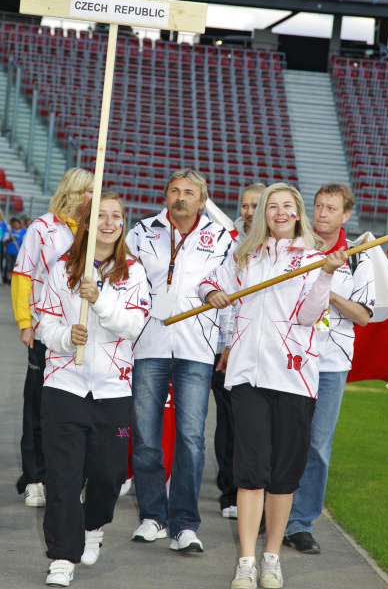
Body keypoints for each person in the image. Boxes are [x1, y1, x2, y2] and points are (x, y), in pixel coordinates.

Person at [198, 182, 348, 589]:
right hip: (248, 377)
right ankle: (246, 561)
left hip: (294, 379)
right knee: (250, 473)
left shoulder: (314, 258)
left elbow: (309, 316)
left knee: (283, 477)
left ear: (297, 213)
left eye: (288, 206)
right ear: (263, 212)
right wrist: (212, 293)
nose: (280, 212)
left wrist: (326, 274)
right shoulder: (245, 255)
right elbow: (208, 281)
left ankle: (271, 559)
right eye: (273, 206)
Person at [37, 191, 149, 587]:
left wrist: (99, 300)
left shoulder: (133, 272)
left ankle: (93, 525)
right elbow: (45, 327)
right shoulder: (62, 268)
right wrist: (68, 337)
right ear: (86, 223)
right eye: (100, 215)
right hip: (64, 386)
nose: (109, 222)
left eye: (116, 216)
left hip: (112, 390)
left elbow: (133, 326)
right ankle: (62, 556)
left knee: (109, 475)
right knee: (63, 477)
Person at [126, 168, 234, 553]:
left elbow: (229, 289)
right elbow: (123, 281)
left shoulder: (221, 237)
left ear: (202, 200)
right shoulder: (141, 232)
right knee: (146, 435)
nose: (181, 197)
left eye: (189, 192)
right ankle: (152, 515)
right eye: (174, 190)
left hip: (196, 348)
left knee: (191, 438)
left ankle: (184, 524)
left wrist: (228, 341)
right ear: (165, 195)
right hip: (148, 345)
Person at [283, 182, 375, 554]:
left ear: (346, 215)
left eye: (331, 208)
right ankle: (273, 512)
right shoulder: (294, 246)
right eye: (318, 206)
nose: (322, 213)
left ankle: (300, 523)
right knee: (283, 439)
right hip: (290, 357)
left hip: (332, 362)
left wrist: (327, 284)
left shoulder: (358, 256)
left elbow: (363, 315)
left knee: (317, 445)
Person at [11, 168, 94, 506]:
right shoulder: (42, 228)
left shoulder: (96, 229)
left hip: (83, 334)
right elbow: (22, 274)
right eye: (90, 191)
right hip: (46, 330)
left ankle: (66, 476)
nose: (94, 197)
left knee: (73, 408)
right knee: (37, 405)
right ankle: (34, 478)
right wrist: (25, 322)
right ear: (74, 192)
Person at [213, 183, 266, 519]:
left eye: (255, 205)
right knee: (229, 423)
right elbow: (224, 295)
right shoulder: (227, 241)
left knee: (254, 424)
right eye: (245, 205)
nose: (248, 212)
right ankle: (230, 491)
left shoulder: (274, 244)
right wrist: (228, 343)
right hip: (224, 345)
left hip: (258, 347)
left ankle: (253, 490)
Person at [4, 217, 26, 284]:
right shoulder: (10, 232)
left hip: (17, 252)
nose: (15, 225)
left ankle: (13, 280)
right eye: (14, 224)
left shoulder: (23, 233)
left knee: (15, 266)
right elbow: (5, 242)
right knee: (9, 266)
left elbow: (24, 242)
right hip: (9, 251)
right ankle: (8, 279)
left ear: (19, 225)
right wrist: (10, 239)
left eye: (16, 224)